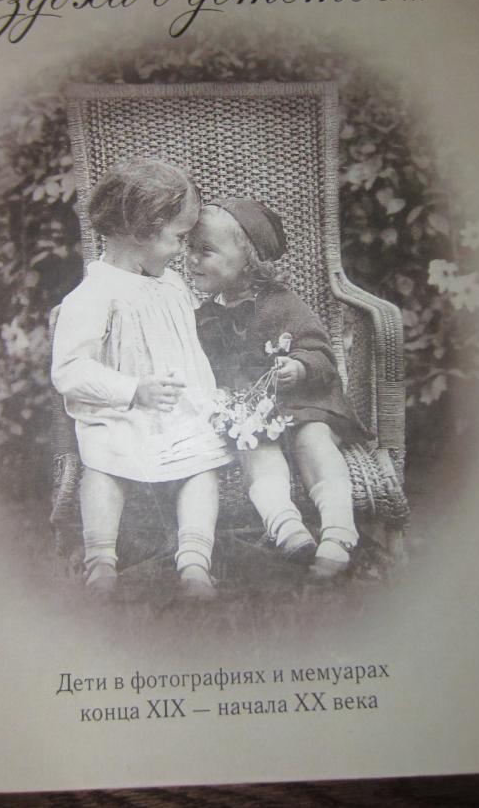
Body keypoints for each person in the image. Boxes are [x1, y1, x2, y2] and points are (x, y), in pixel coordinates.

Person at [51, 158, 231, 599]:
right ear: (141, 229)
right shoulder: (93, 296)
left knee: (203, 469)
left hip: (178, 413)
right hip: (120, 412)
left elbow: (193, 342)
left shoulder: (171, 285)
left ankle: (194, 561)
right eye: (178, 237)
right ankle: (100, 563)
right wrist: (132, 390)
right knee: (103, 467)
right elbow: (70, 369)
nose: (183, 251)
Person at [188, 198, 369, 579]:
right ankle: (287, 528)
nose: (191, 259)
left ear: (248, 259)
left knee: (314, 441)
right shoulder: (204, 316)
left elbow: (322, 354)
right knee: (254, 451)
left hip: (304, 404)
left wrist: (299, 366)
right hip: (253, 418)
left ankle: (339, 531)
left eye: (205, 250)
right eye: (189, 248)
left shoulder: (284, 305)